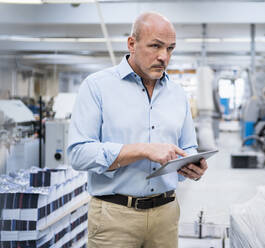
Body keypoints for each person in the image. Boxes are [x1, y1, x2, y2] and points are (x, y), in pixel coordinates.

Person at [67, 12, 208, 248]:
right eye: (155, 46)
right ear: (132, 44)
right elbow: (79, 154)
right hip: (115, 217)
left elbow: (188, 146)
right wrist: (142, 150)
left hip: (166, 214)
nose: (164, 57)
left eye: (170, 49)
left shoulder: (177, 94)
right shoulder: (97, 87)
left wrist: (191, 164)